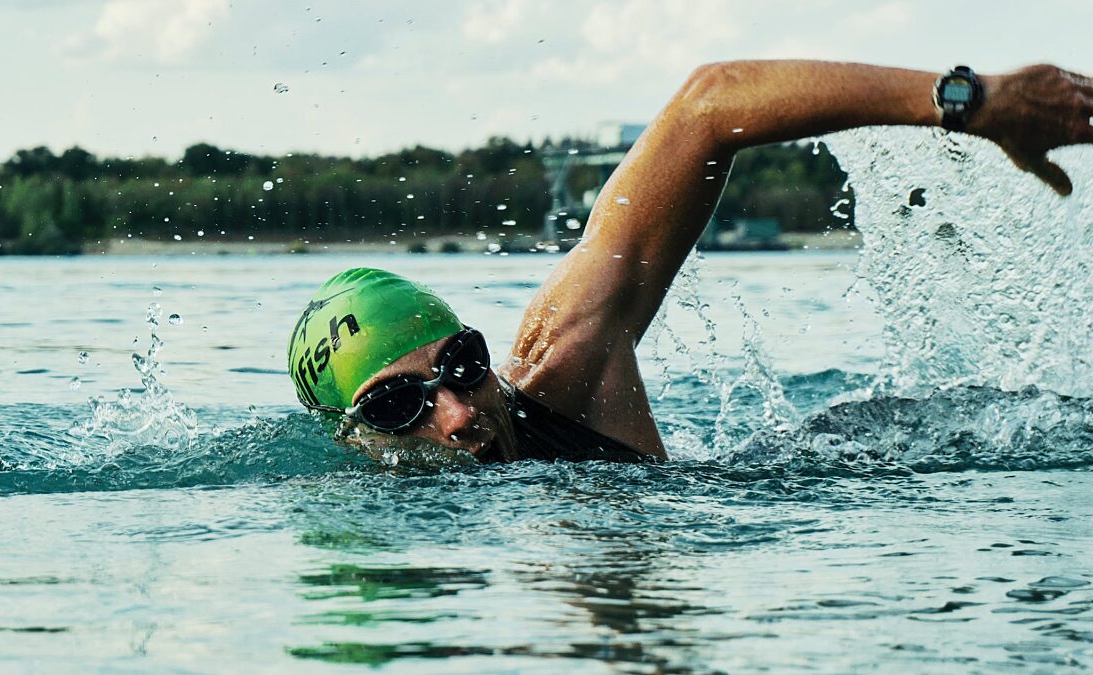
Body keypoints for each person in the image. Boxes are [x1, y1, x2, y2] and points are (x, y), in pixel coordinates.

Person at [289, 60, 1093, 464]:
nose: (458, 413)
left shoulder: (563, 365)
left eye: (462, 365)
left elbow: (707, 105)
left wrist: (970, 102)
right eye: (399, 406)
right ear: (351, 438)